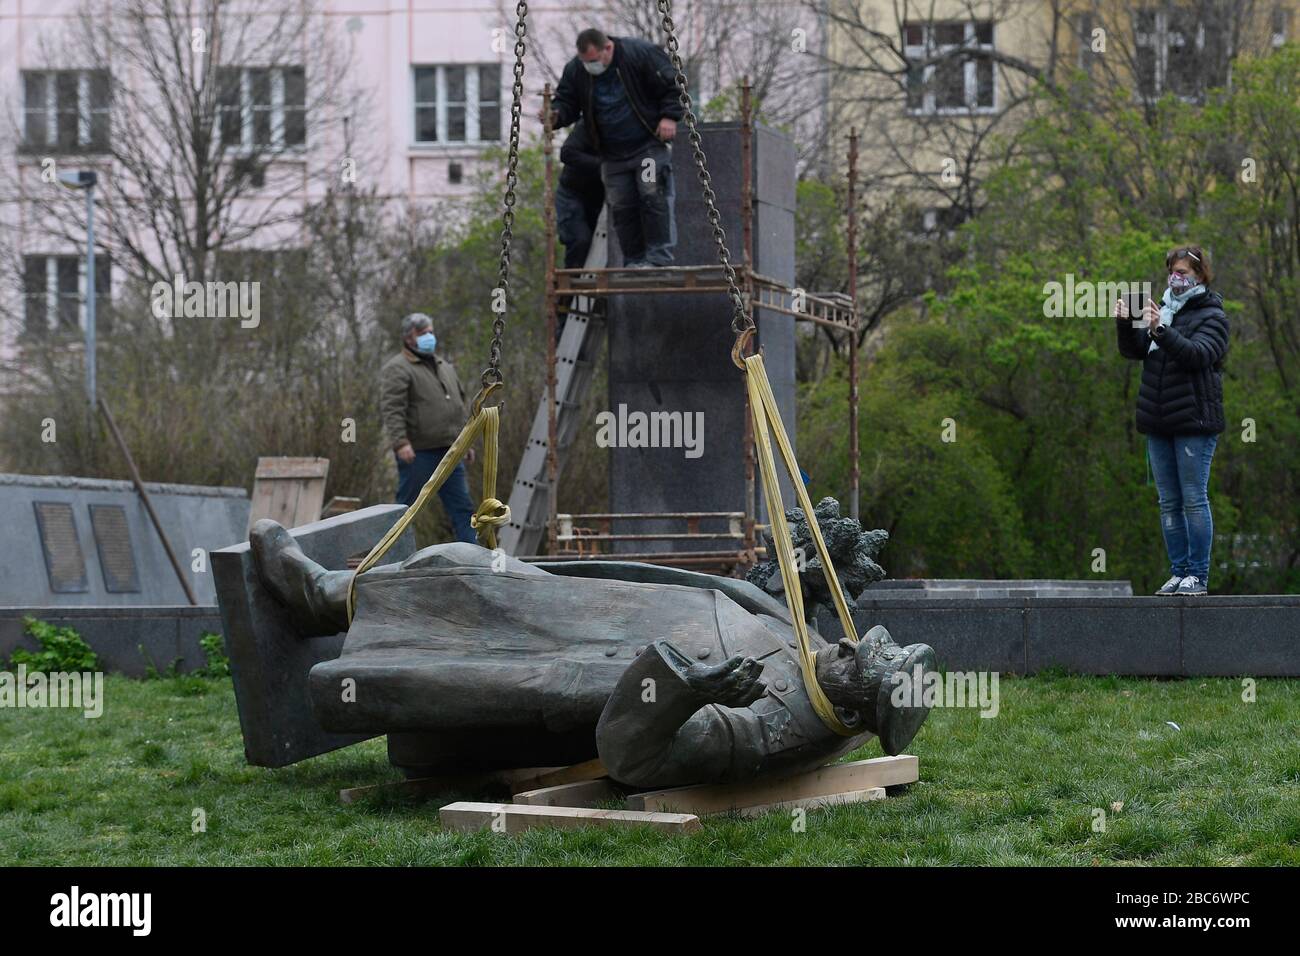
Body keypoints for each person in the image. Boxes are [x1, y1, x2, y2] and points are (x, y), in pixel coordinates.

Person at [247, 514, 938, 789]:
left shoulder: (764, 729)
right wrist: (798, 579)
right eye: (855, 641)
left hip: (560, 649)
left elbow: (634, 756)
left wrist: (683, 686)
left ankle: (323, 598)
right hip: (584, 609)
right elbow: (746, 612)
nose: (843, 643)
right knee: (457, 561)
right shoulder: (820, 670)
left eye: (857, 660)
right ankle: (332, 596)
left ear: (856, 703)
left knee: (447, 579)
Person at [1114, 245, 1229, 596]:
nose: (1176, 278)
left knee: (1194, 498)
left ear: (1200, 276)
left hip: (1194, 421)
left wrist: (1161, 330)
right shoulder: (1163, 309)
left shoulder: (1213, 315)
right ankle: (1179, 572)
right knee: (1168, 502)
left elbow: (1199, 355)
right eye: (1172, 271)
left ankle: (1198, 575)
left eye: (1183, 272)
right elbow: (1134, 350)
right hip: (1159, 419)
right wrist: (1125, 323)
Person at [547, 27, 682, 267]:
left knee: (652, 194)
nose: (591, 66)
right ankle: (634, 260)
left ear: (608, 48)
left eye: (594, 60)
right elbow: (567, 100)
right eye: (586, 62)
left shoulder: (639, 54)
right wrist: (555, 115)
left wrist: (669, 116)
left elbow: (672, 85)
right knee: (622, 206)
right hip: (613, 156)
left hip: (646, 148)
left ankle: (658, 258)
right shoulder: (577, 69)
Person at [379, 312, 477, 543]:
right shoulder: (398, 368)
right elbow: (393, 409)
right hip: (418, 454)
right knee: (405, 510)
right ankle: (391, 556)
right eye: (423, 334)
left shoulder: (444, 366)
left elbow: (458, 406)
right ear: (408, 338)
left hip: (451, 451)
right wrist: (401, 443)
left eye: (431, 332)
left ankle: (473, 557)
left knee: (463, 508)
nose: (429, 337)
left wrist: (465, 441)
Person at [556, 122, 605, 269]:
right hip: (572, 193)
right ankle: (570, 287)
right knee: (579, 240)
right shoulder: (590, 124)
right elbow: (567, 153)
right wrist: (603, 166)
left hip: (600, 198)